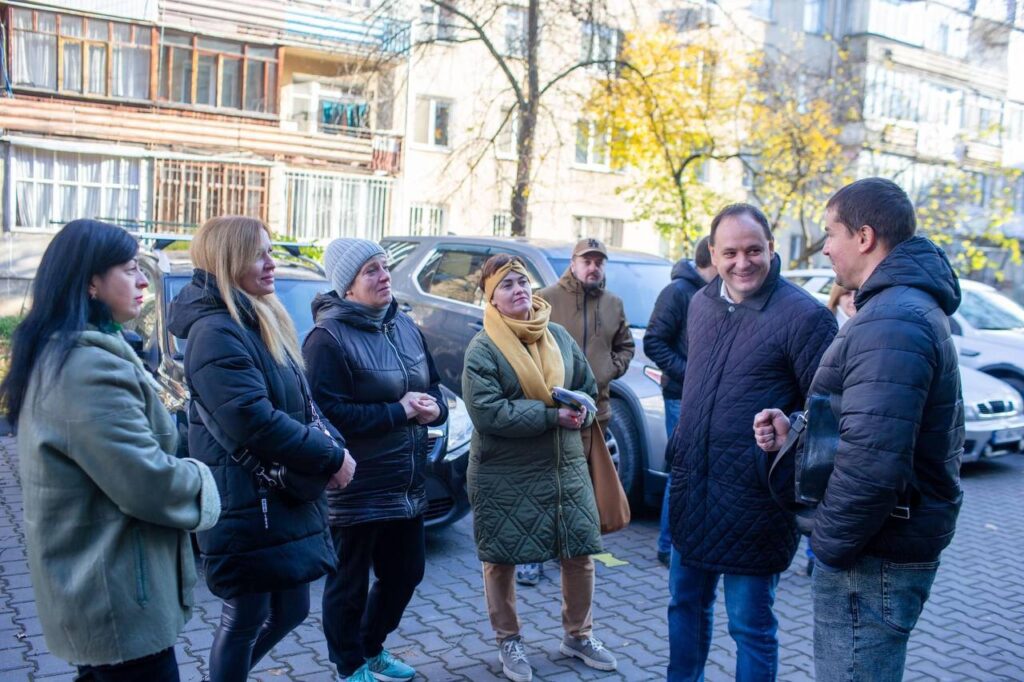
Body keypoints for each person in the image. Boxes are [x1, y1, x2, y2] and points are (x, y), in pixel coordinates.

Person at [754, 178, 964, 682]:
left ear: (865, 237)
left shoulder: (893, 320)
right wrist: (799, 437)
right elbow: (867, 427)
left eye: (831, 232)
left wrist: (827, 546)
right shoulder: (896, 309)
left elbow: (874, 463)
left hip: (872, 557)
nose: (825, 246)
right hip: (880, 548)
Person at [0, 219, 221, 681]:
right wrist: (205, 479)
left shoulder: (72, 351)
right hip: (117, 595)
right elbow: (146, 482)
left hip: (102, 584)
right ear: (90, 283)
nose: (142, 281)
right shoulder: (85, 367)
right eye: (128, 269)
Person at [168, 216, 355, 682]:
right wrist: (329, 457)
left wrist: (334, 446)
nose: (272, 263)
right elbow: (253, 419)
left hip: (275, 497)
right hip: (247, 500)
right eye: (260, 254)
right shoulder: (217, 330)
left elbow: (300, 402)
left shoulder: (257, 315)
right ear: (228, 260)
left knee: (292, 608)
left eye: (271, 251)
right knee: (245, 617)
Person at [666, 204, 837, 681]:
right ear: (713, 255)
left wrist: (791, 422)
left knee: (751, 627)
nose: (743, 263)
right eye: (731, 253)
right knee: (684, 608)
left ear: (771, 249)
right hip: (692, 495)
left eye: (754, 250)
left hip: (754, 504)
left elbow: (831, 417)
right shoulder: (700, 304)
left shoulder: (805, 318)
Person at [462, 254, 617, 682]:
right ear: (492, 298)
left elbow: (586, 387)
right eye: (508, 285)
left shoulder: (559, 337)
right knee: (501, 558)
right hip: (503, 471)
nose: (520, 291)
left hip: (563, 466)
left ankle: (578, 635)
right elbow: (488, 412)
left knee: (579, 551)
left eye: (523, 282)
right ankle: (508, 639)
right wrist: (552, 416)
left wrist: (583, 412)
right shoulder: (484, 347)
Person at [303, 238, 448, 682]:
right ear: (347, 286)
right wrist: (398, 411)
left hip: (405, 484)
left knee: (406, 574)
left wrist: (433, 409)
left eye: (384, 267)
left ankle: (371, 647)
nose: (384, 276)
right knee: (348, 586)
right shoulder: (326, 339)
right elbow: (326, 414)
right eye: (371, 270)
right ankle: (348, 666)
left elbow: (436, 388)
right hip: (356, 485)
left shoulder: (404, 325)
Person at [515, 237, 635, 585]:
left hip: (595, 414)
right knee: (543, 485)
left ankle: (568, 549)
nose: (593, 266)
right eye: (587, 260)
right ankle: (530, 556)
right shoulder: (547, 299)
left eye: (599, 261)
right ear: (573, 263)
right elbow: (527, 341)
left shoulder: (613, 303)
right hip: (553, 411)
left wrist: (611, 368)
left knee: (578, 488)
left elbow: (625, 345)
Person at [644, 235, 716, 566]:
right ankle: (666, 546)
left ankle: (686, 543)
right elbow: (654, 342)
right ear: (711, 258)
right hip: (680, 396)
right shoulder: (677, 292)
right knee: (681, 472)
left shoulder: (716, 293)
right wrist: (690, 373)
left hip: (707, 397)